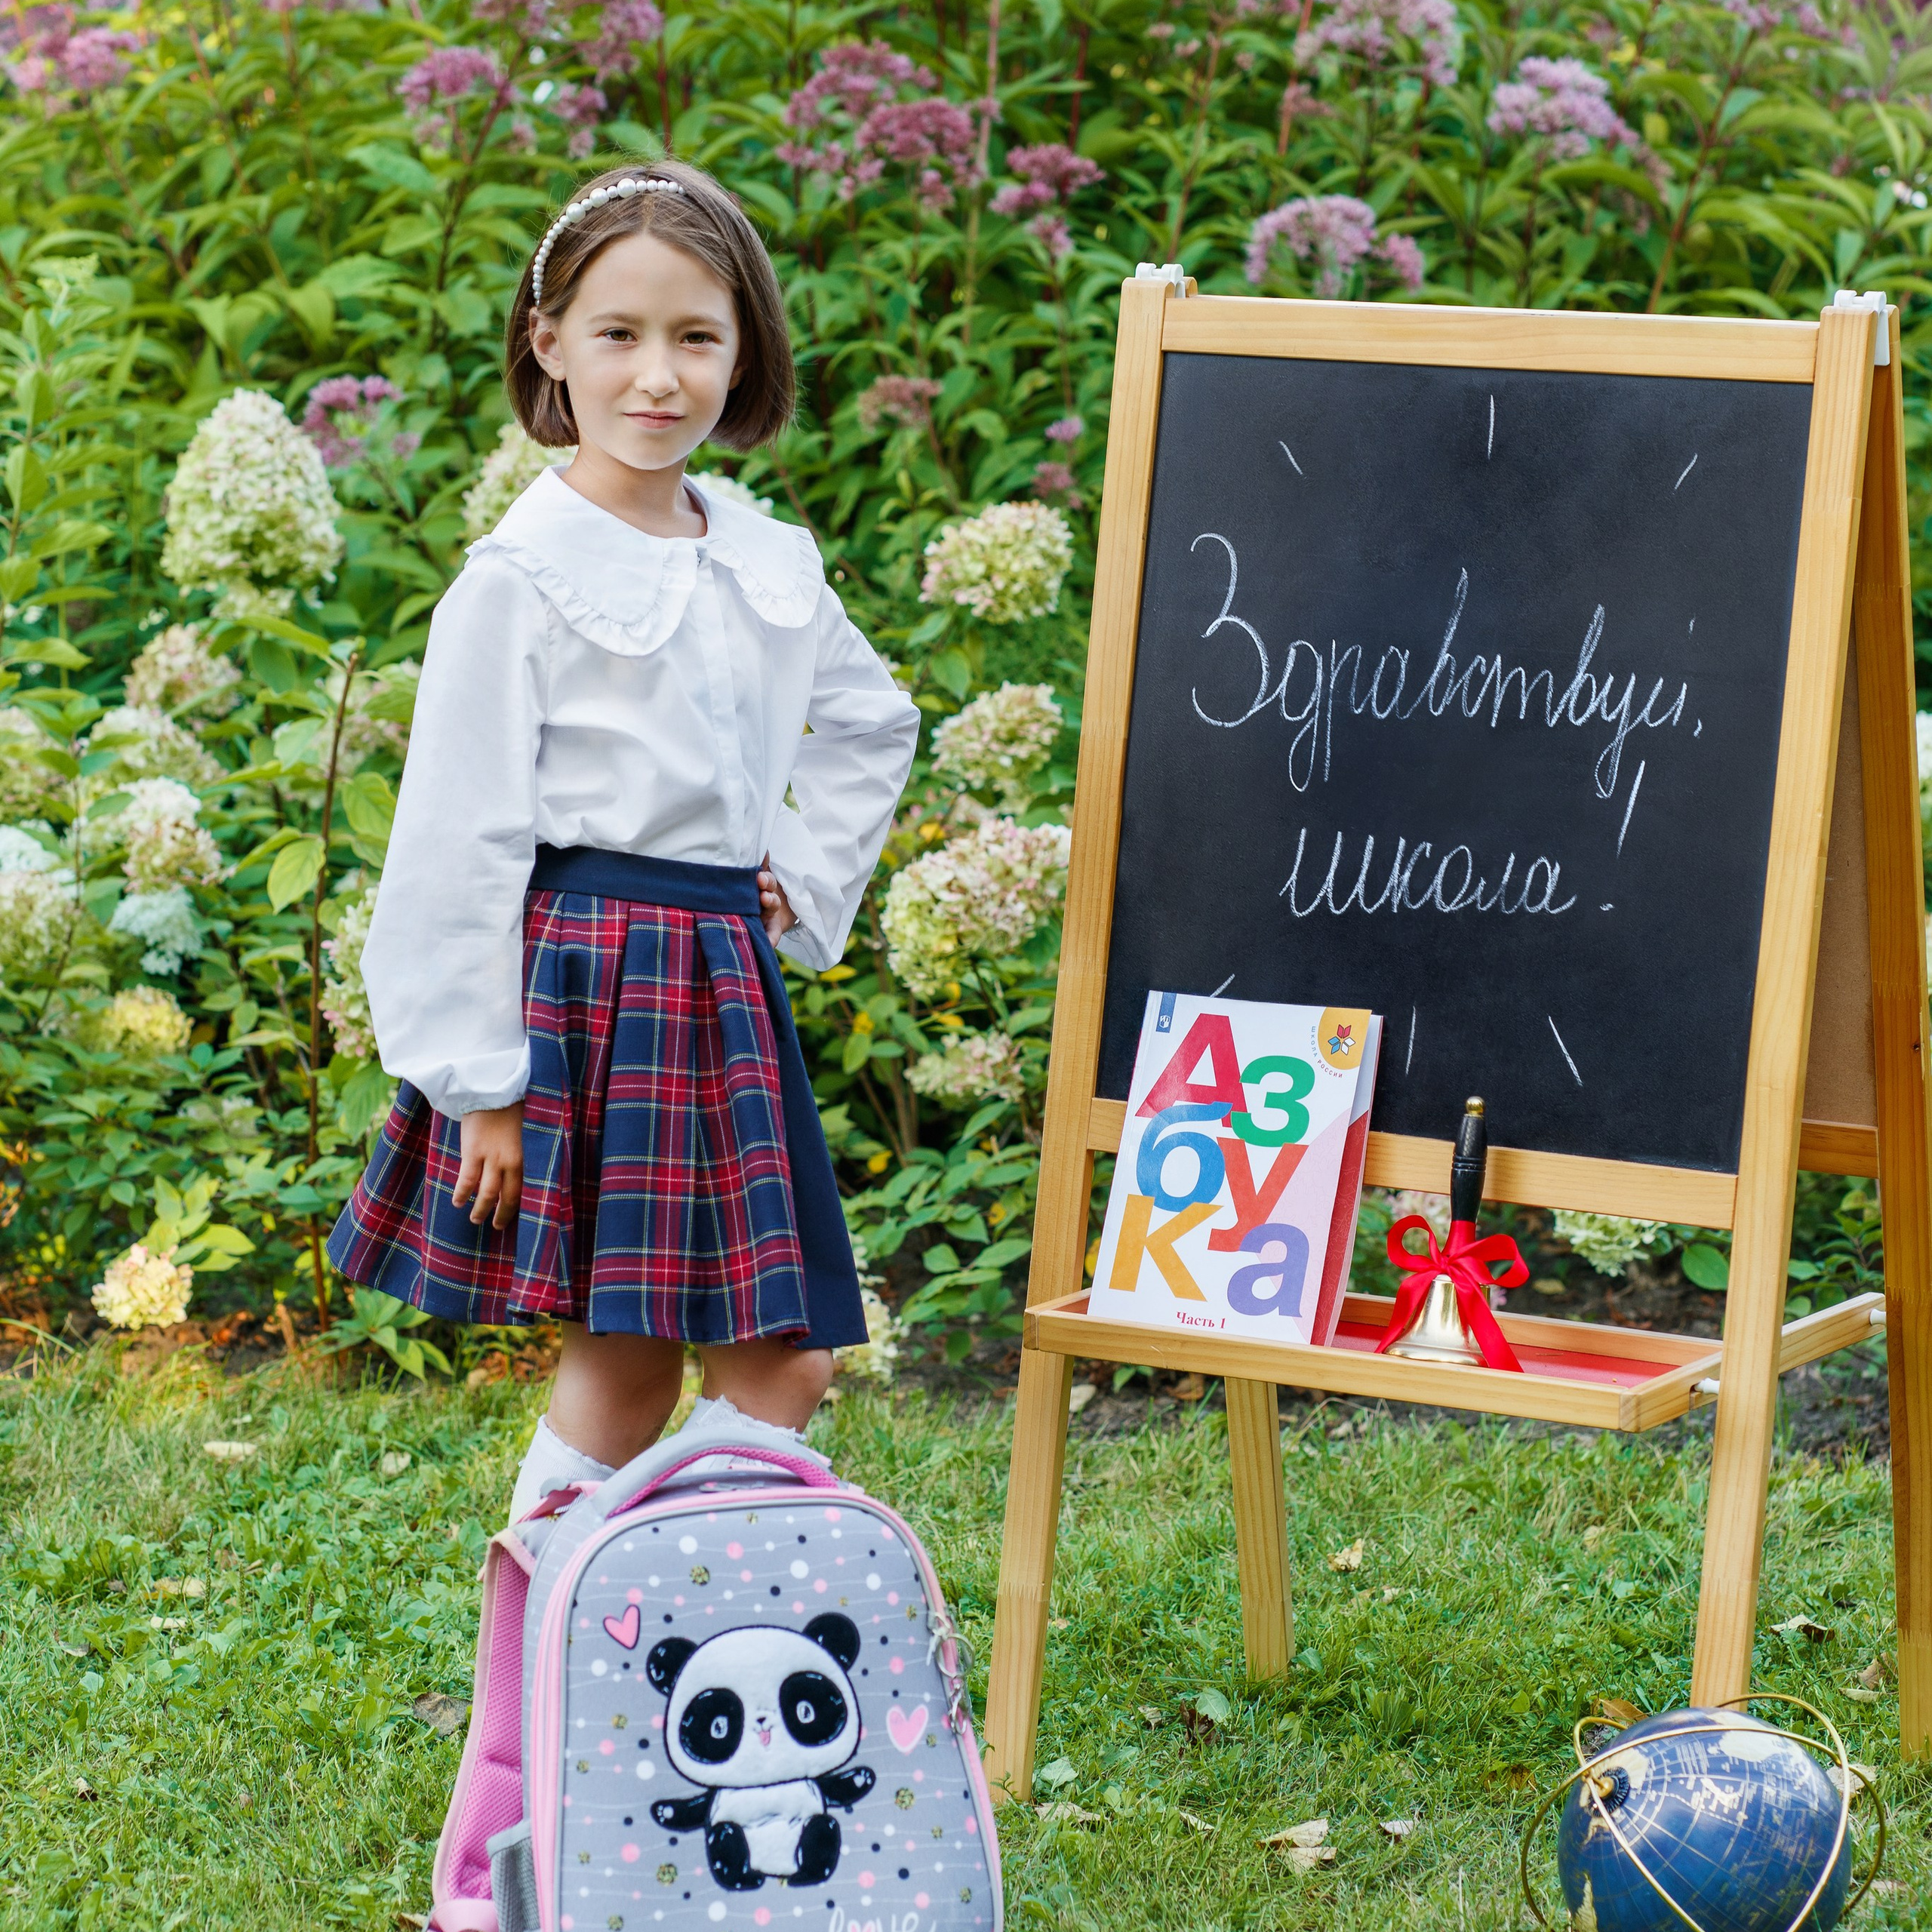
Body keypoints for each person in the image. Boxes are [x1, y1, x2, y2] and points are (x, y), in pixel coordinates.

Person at [327, 159, 918, 1523]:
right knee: (631, 1363)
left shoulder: (767, 555)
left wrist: (800, 882)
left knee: (785, 1362)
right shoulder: (515, 582)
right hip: (590, 987)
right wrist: (482, 1080)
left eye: (696, 337)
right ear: (550, 345)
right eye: (620, 334)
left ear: (743, 351)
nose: (659, 375)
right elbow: (456, 837)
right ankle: (535, 1689)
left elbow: (873, 723)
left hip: (717, 969)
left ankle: (621, 1655)